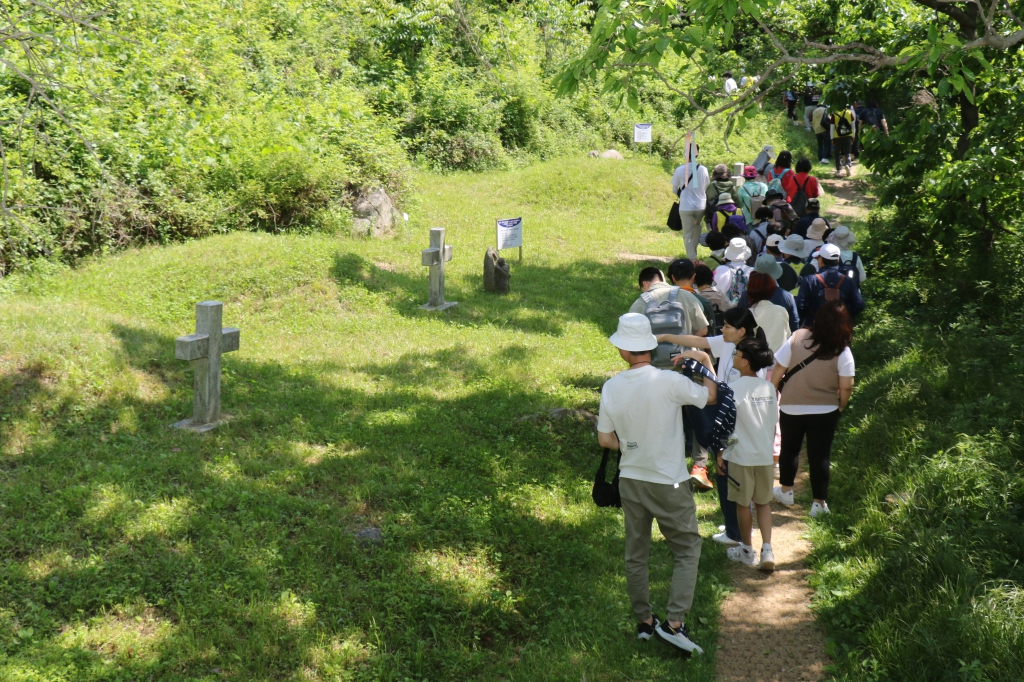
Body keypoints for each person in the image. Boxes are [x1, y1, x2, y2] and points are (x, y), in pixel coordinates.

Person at [597, 313, 715, 654]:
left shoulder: (611, 387)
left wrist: (632, 446)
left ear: (622, 350)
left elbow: (605, 439)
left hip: (631, 479)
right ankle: (674, 624)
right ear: (649, 347)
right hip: (669, 480)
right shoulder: (669, 381)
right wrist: (705, 360)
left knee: (636, 552)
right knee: (687, 548)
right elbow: (709, 397)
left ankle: (645, 622)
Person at [658, 309, 770, 547]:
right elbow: (698, 342)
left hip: (736, 425)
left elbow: (725, 392)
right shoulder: (732, 345)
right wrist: (666, 337)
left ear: (741, 331)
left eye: (727, 326)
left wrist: (704, 362)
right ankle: (735, 527)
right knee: (728, 477)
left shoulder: (748, 358)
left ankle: (736, 533)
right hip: (731, 420)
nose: (722, 329)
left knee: (728, 476)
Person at [771, 301, 855, 518]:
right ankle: (818, 504)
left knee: (789, 449)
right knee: (820, 456)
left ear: (818, 318)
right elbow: (847, 384)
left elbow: (778, 370)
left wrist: (771, 393)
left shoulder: (797, 338)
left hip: (791, 405)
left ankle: (786, 491)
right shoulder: (842, 349)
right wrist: (841, 404)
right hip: (825, 409)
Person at [720, 337, 778, 570]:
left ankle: (746, 549)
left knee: (742, 504)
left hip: (740, 456)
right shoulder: (769, 387)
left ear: (745, 361)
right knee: (763, 503)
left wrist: (720, 453)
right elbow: (773, 422)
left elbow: (725, 426)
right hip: (764, 455)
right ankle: (767, 550)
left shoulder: (732, 389)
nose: (734, 356)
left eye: (737, 354)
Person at [796, 244, 865, 326]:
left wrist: (811, 315)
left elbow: (800, 305)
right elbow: (859, 305)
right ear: (838, 260)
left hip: (814, 325)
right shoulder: (848, 281)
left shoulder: (809, 279)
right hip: (839, 327)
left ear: (821, 259)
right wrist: (842, 314)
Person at [671, 145, 710, 260]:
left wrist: (683, 195)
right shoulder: (703, 169)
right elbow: (706, 186)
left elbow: (674, 190)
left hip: (685, 206)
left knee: (687, 233)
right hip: (700, 205)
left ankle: (692, 258)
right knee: (697, 228)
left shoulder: (680, 170)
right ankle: (693, 253)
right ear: (697, 154)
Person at [744, 272, 792, 353]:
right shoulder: (782, 310)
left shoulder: (747, 314)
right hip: (779, 357)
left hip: (756, 358)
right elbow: (788, 336)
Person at [713, 238, 753, 309]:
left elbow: (715, 291)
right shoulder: (752, 271)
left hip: (727, 310)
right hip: (747, 311)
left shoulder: (721, 270)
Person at [693, 263, 725, 333]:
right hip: (722, 332)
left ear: (695, 282)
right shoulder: (721, 296)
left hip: (704, 334)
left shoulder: (696, 299)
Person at [831, 104, 856, 177]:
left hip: (837, 136)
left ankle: (838, 170)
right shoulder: (849, 112)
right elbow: (853, 125)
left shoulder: (834, 113)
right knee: (847, 152)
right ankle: (848, 164)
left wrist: (831, 138)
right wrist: (853, 135)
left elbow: (832, 127)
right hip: (848, 135)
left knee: (837, 153)